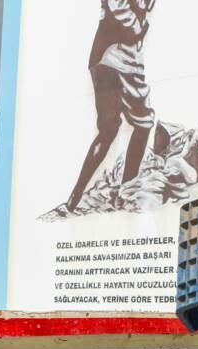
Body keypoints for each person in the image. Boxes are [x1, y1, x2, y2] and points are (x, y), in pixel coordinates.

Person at [68, 0, 161, 211]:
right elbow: (118, 4)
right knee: (143, 123)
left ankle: (77, 195)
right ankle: (126, 191)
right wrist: (137, 28)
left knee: (109, 130)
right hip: (117, 55)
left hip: (113, 57)